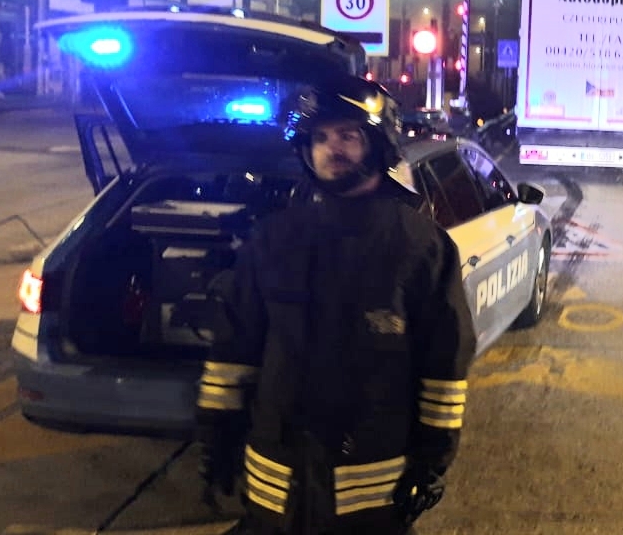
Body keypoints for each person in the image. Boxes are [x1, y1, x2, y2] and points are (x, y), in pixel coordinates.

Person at [195, 74, 477, 534]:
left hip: (369, 493)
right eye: (320, 138)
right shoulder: (274, 239)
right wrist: (215, 443)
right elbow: (233, 354)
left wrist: (432, 462)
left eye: (348, 134)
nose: (332, 149)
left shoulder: (422, 246)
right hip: (276, 486)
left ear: (377, 143)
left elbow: (444, 369)